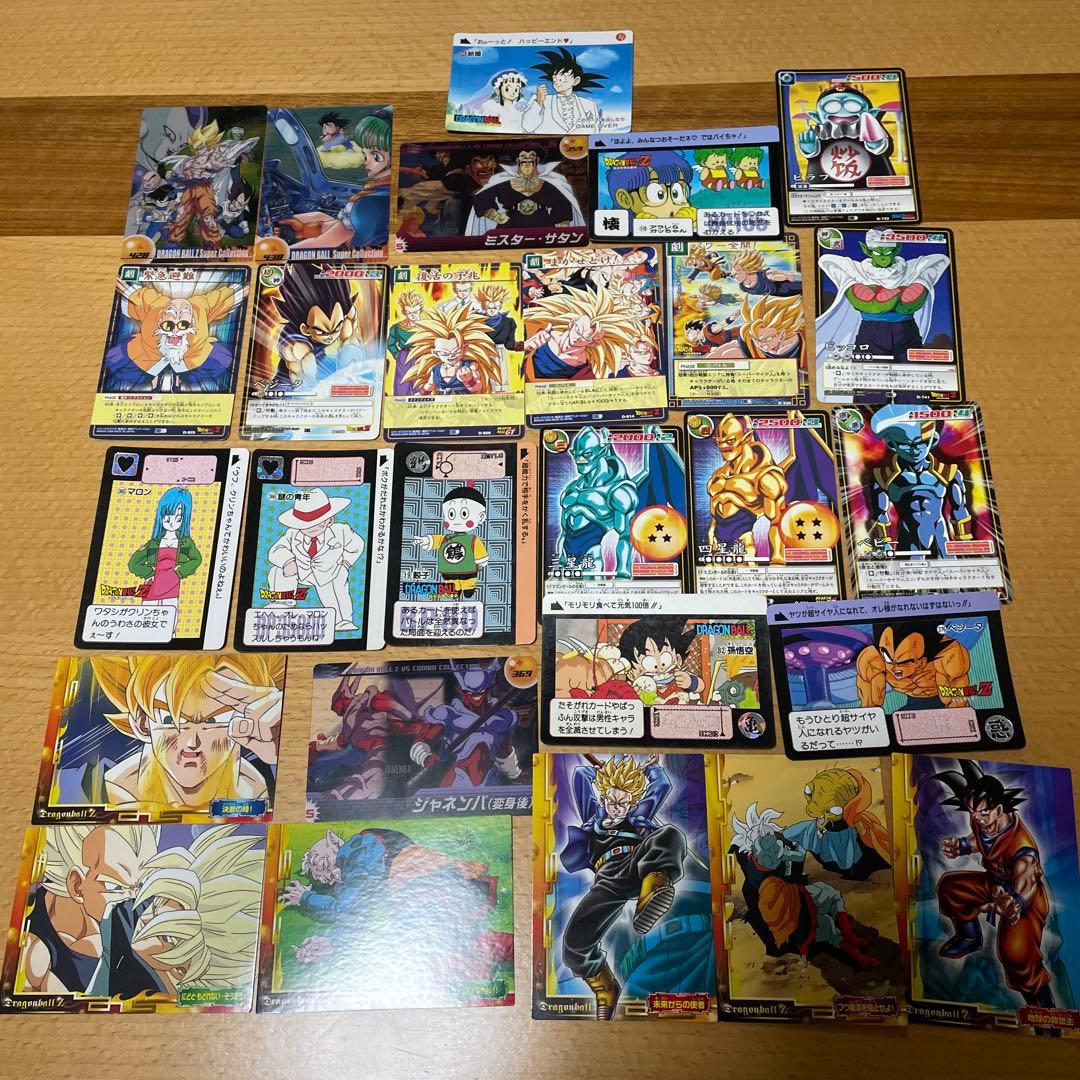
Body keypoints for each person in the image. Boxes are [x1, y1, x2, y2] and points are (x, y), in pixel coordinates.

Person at [560, 756, 687, 1020]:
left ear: (633, 802)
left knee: (670, 834)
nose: (617, 809)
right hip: (607, 880)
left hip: (636, 866)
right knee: (574, 943)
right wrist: (601, 773)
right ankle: (606, 987)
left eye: (624, 804)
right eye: (612, 801)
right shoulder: (593, 816)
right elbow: (581, 775)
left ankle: (653, 888)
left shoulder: (638, 816)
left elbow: (661, 785)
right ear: (603, 798)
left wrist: (651, 768)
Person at [87, 654, 284, 812]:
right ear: (142, 723)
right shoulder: (104, 789)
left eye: (213, 720)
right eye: (169, 720)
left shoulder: (260, 789)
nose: (192, 742)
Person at [267, 488, 364, 631]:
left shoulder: (341, 531)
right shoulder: (292, 534)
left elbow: (357, 545)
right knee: (277, 571)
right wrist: (287, 561)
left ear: (329, 520)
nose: (311, 527)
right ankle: (281, 604)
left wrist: (345, 563)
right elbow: (276, 550)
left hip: (330, 572)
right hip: (301, 571)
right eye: (304, 525)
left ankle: (342, 620)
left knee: (336, 585)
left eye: (317, 523)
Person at [126, 487, 202, 614]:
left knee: (170, 613)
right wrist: (149, 573)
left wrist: (180, 573)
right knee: (146, 612)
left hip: (172, 582)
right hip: (152, 582)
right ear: (161, 517)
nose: (172, 523)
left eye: (178, 518)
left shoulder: (185, 543)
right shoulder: (153, 543)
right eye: (167, 518)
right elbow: (133, 564)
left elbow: (197, 559)